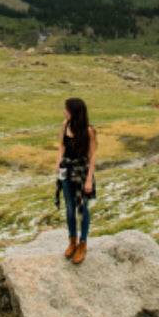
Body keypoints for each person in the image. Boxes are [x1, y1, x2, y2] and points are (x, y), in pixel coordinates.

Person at [55, 96, 97, 264]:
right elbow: (62, 145)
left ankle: (83, 244)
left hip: (81, 173)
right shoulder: (65, 125)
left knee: (83, 209)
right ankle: (72, 241)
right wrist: (59, 162)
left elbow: (92, 155)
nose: (64, 112)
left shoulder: (88, 131)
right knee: (70, 208)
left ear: (74, 112)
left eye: (66, 109)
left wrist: (89, 180)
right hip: (66, 171)